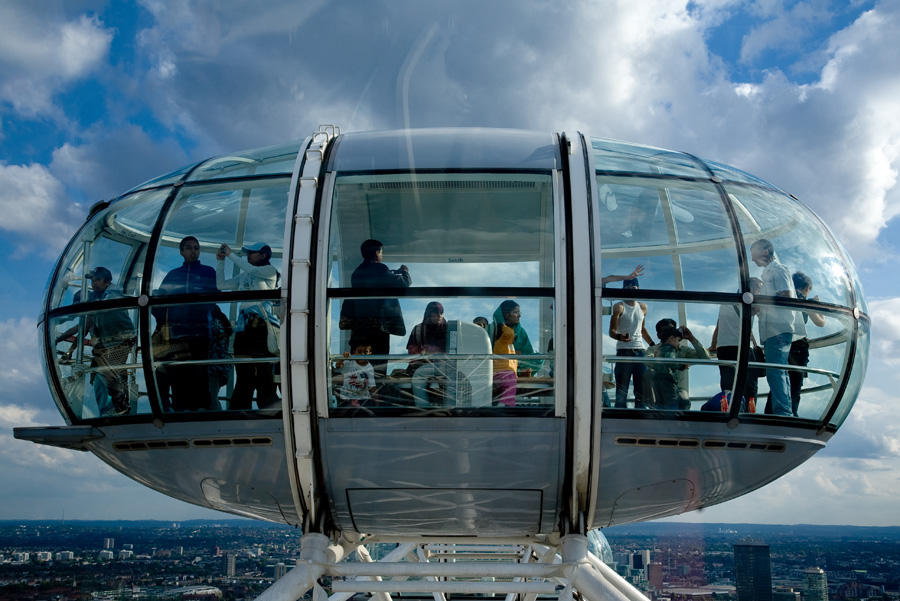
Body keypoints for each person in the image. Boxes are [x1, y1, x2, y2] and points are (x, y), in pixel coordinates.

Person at [55, 267, 135, 416]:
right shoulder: (97, 298)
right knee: (100, 380)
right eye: (92, 279)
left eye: (97, 279)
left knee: (111, 374)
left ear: (107, 282)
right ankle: (107, 412)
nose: (93, 282)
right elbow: (84, 325)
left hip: (122, 341)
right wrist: (60, 334)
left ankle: (122, 409)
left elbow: (105, 303)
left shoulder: (111, 295)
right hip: (105, 345)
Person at [156, 236, 218, 411]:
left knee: (199, 372)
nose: (194, 251)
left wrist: (190, 305)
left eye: (196, 248)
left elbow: (212, 298)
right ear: (181, 251)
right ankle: (180, 410)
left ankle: (202, 410)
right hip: (177, 333)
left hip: (201, 332)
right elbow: (160, 302)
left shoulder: (208, 271)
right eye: (189, 248)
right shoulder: (173, 275)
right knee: (179, 374)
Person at [216, 242, 280, 411]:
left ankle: (269, 412)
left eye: (252, 253)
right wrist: (221, 261)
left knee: (265, 374)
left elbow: (251, 270)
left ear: (263, 255)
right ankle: (239, 415)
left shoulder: (269, 271)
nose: (248, 256)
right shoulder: (245, 276)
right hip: (244, 329)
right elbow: (221, 285)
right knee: (244, 375)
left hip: (261, 329)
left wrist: (230, 255)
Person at [340, 239, 412, 376]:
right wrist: (404, 272)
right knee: (378, 365)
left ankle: (360, 392)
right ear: (376, 252)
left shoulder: (357, 272)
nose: (381, 255)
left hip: (360, 327)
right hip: (379, 326)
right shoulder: (380, 269)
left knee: (359, 366)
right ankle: (376, 394)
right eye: (381, 252)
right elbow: (404, 283)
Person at [750, 239, 796, 416]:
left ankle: (783, 411)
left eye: (754, 255)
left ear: (766, 252)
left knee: (776, 371)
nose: (753, 260)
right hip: (773, 329)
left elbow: (785, 294)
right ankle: (783, 409)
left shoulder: (777, 270)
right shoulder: (770, 273)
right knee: (778, 371)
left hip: (778, 329)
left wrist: (764, 305)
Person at [710, 278, 763, 408]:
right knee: (749, 387)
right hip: (742, 348)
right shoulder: (749, 301)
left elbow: (719, 324)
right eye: (760, 288)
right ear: (753, 288)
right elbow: (760, 314)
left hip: (724, 348)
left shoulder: (727, 302)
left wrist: (713, 344)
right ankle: (748, 415)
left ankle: (728, 412)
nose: (761, 292)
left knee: (728, 386)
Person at [608, 278, 653, 408]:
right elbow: (611, 331)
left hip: (641, 352)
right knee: (621, 392)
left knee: (642, 392)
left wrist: (652, 344)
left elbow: (642, 329)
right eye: (627, 289)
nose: (630, 291)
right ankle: (619, 421)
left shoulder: (643, 307)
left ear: (638, 289)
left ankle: (640, 422)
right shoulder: (619, 306)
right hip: (624, 352)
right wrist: (619, 337)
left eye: (633, 288)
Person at [645, 319, 710, 409]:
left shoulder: (684, 350)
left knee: (683, 401)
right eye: (666, 331)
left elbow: (705, 358)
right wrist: (680, 365)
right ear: (659, 335)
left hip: (678, 387)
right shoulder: (654, 349)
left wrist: (692, 338)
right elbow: (648, 361)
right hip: (660, 385)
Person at [788, 272, 826, 417]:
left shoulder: (786, 298)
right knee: (795, 384)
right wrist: (818, 306)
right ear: (807, 287)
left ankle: (773, 412)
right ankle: (792, 414)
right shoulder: (803, 300)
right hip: (798, 347)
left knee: (781, 379)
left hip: (784, 344)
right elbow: (820, 322)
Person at [406, 302, 449, 405]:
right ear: (429, 313)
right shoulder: (418, 330)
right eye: (435, 312)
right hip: (422, 365)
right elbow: (412, 354)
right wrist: (424, 356)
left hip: (446, 366)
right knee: (418, 375)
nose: (439, 315)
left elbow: (455, 351)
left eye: (441, 312)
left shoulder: (449, 330)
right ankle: (424, 409)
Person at [487, 300, 541, 377]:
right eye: (516, 312)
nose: (519, 315)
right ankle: (518, 372)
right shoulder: (491, 329)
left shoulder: (521, 331)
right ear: (506, 314)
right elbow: (485, 351)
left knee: (539, 358)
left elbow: (528, 354)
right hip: (497, 364)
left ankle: (518, 371)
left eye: (519, 312)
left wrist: (519, 356)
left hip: (518, 363)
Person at [335, 340, 377, 407]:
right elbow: (338, 365)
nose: (362, 354)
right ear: (354, 352)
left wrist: (377, 403)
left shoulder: (369, 367)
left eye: (365, 352)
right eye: (359, 352)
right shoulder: (349, 362)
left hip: (363, 399)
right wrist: (343, 358)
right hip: (347, 398)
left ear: (370, 353)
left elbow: (372, 386)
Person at [649, 326, 683, 409]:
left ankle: (659, 419)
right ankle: (672, 419)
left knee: (659, 402)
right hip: (668, 378)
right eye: (678, 340)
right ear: (671, 338)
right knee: (672, 402)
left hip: (657, 378)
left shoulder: (659, 349)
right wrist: (681, 366)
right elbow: (671, 361)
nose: (679, 343)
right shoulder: (670, 349)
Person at [492, 322, 518, 407]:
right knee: (510, 388)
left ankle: (504, 404)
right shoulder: (502, 342)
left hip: (503, 372)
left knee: (509, 389)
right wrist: (504, 326)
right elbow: (509, 333)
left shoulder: (508, 345)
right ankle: (504, 404)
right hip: (503, 372)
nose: (513, 335)